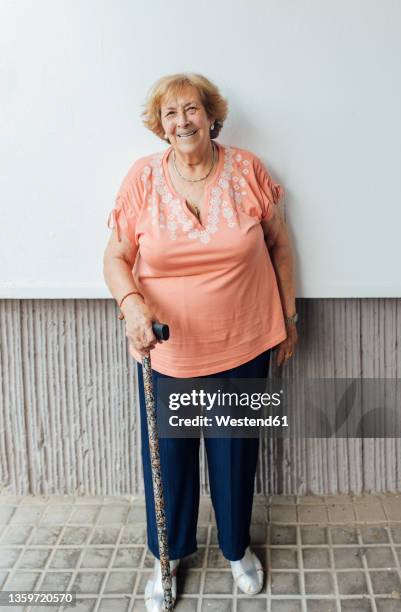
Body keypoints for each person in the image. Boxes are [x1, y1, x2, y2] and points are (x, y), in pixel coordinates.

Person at [103, 73, 297, 610]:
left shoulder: (247, 170)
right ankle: (167, 558)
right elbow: (115, 258)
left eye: (191, 109)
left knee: (236, 455)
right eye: (170, 114)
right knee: (169, 458)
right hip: (169, 349)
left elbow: (280, 246)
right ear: (160, 125)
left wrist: (290, 315)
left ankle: (237, 550)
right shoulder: (142, 178)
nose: (182, 121)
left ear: (211, 116)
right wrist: (131, 305)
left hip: (246, 340)